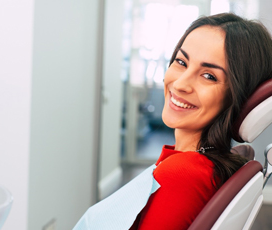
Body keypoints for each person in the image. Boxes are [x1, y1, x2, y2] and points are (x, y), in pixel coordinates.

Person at [73, 13, 272, 230]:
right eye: (181, 62)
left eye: (209, 76)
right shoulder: (202, 165)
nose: (180, 84)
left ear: (238, 97)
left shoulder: (182, 175)